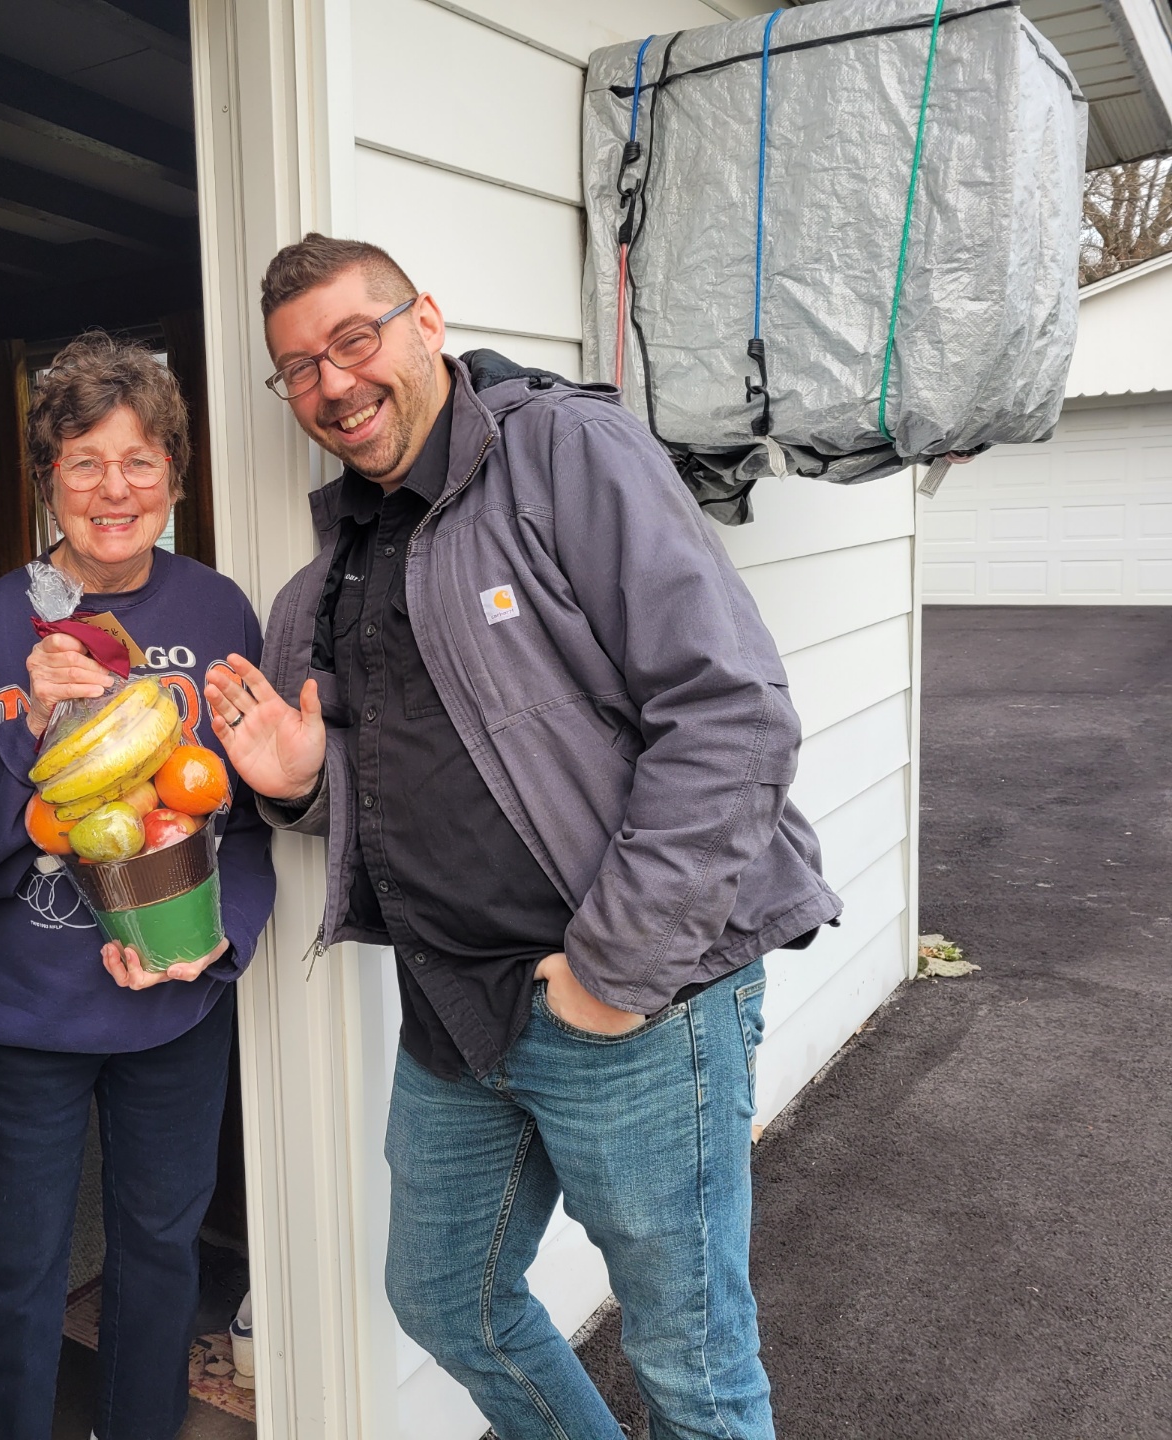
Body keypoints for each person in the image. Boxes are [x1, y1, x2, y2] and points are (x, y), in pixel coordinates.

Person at [204, 235, 842, 1440]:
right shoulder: (341, 560)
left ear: (426, 321)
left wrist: (612, 970)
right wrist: (301, 781)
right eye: (299, 368)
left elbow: (732, 712)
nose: (333, 383)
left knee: (692, 1368)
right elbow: (412, 771)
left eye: (354, 339)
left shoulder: (562, 451)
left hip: (628, 1001)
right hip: (457, 1006)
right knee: (446, 1297)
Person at [0, 332, 275, 1440]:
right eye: (84, 463)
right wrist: (32, 731)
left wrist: (222, 938)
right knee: (13, 1270)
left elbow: (250, 818)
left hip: (174, 1006)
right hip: (21, 1017)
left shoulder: (219, 615)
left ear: (175, 479)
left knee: (160, 1253)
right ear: (47, 481)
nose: (114, 490)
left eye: (140, 461)